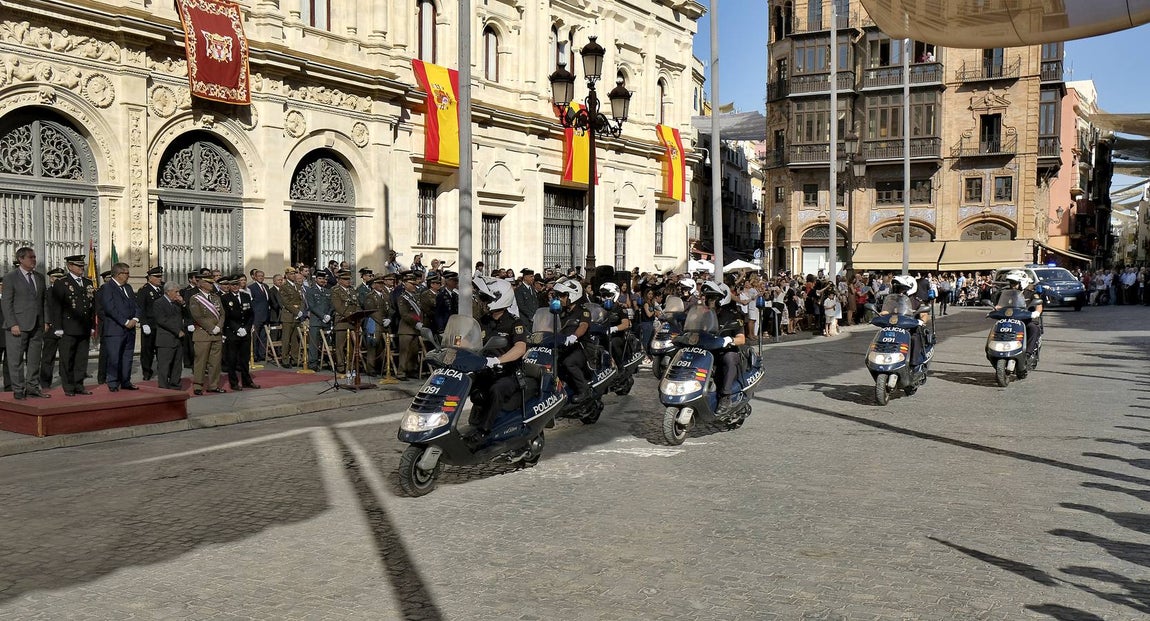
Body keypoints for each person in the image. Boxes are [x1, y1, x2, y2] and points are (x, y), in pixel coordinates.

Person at [469, 277, 529, 443]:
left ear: (499, 299)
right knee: (461, 385)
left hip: (509, 374)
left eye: (486, 298)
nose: (482, 301)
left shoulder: (515, 323)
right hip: (485, 370)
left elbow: (520, 348)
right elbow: (468, 341)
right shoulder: (483, 321)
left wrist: (497, 360)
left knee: (496, 390)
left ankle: (483, 431)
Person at [2, 247, 50, 400]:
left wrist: (46, 320)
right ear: (21, 259)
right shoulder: (10, 278)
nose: (34, 260)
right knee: (16, 360)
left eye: (34, 257)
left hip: (37, 325)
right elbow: (6, 303)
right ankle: (18, 389)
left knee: (34, 359)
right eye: (30, 257)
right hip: (18, 326)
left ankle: (32, 387)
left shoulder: (39, 277)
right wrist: (12, 324)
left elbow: (43, 301)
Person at [51, 255, 95, 396]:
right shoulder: (62, 283)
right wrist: (57, 327)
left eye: (82, 265)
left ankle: (79, 385)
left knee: (81, 359)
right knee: (67, 358)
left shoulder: (87, 282)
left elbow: (91, 306)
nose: (82, 268)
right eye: (78, 265)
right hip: (68, 327)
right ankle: (69, 387)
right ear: (70, 266)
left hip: (84, 326)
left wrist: (92, 325)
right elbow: (56, 306)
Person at [699, 281, 746, 413]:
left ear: (721, 299)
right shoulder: (704, 315)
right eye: (708, 298)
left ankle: (726, 396)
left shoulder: (733, 315)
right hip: (708, 350)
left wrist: (730, 339)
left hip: (725, 351)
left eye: (712, 298)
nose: (708, 301)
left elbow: (741, 339)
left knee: (729, 358)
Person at [98, 262, 141, 392]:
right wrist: (125, 321)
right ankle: (113, 382)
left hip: (130, 329)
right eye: (126, 273)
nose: (129, 275)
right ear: (118, 274)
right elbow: (110, 308)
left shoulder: (128, 287)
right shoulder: (107, 288)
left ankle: (126, 381)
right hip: (115, 329)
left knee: (127, 357)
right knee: (114, 357)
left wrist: (135, 319)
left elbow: (136, 305)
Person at [552, 277, 593, 404]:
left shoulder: (583, 311)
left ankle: (584, 390)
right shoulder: (560, 312)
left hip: (581, 347)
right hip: (563, 347)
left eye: (563, 296)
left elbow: (583, 326)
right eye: (558, 296)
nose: (560, 299)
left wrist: (574, 336)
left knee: (569, 362)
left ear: (572, 295)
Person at [879, 275, 929, 367]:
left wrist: (922, 320)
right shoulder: (895, 300)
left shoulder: (917, 301)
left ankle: (914, 363)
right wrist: (880, 314)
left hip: (911, 328)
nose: (900, 291)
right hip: (895, 326)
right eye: (899, 289)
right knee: (883, 335)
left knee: (914, 338)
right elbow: (887, 310)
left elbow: (924, 314)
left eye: (902, 289)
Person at [188, 273, 226, 395]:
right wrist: (211, 328)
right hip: (202, 334)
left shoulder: (216, 297)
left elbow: (222, 314)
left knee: (215, 362)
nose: (212, 285)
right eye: (209, 283)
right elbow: (197, 316)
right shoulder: (195, 298)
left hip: (217, 334)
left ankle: (213, 385)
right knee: (201, 361)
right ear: (202, 284)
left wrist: (219, 327)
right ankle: (198, 385)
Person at [221, 275, 259, 390]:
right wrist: (237, 328)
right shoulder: (225, 298)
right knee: (232, 359)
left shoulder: (245, 296)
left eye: (237, 284)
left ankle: (247, 381)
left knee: (245, 359)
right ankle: (234, 383)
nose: (235, 287)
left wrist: (246, 328)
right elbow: (226, 316)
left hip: (245, 332)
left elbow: (251, 314)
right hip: (232, 332)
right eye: (233, 285)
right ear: (229, 286)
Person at [995, 270, 1043, 355]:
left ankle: (1028, 353)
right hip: (1010, 319)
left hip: (1026, 320)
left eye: (1014, 283)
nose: (1012, 285)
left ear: (1022, 282)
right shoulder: (1008, 294)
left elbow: (1039, 305)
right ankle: (996, 350)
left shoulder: (1031, 294)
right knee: (997, 327)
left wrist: (1037, 312)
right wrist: (998, 307)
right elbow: (1001, 304)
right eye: (1011, 283)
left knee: (1033, 328)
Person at [153, 282, 186, 390]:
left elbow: (187, 314)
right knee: (164, 365)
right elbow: (162, 320)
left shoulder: (177, 303)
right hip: (166, 339)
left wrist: (183, 303)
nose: (178, 294)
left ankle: (175, 384)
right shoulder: (159, 303)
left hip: (178, 339)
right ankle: (163, 386)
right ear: (168, 292)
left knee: (177, 364)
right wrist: (177, 331)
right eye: (176, 291)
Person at [135, 266, 165, 381]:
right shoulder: (144, 290)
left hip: (161, 325)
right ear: (150, 278)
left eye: (160, 276)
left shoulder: (163, 289)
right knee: (147, 350)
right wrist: (144, 323)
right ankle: (147, 371)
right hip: (150, 324)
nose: (159, 278)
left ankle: (163, 370)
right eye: (157, 277)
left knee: (161, 349)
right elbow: (140, 308)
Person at [331, 270, 362, 376]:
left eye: (349, 279)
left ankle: (352, 365)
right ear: (339, 280)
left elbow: (357, 304)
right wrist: (350, 315)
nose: (348, 281)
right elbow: (338, 306)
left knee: (352, 346)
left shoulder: (352, 290)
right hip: (342, 321)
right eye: (345, 279)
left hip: (353, 322)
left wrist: (357, 315)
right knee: (340, 346)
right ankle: (341, 366)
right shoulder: (335, 290)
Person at [39, 267, 66, 388]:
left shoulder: (67, 291)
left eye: (61, 278)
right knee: (48, 357)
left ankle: (66, 380)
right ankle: (45, 382)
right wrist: (46, 323)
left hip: (65, 328)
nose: (58, 280)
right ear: (50, 279)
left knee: (65, 357)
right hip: (50, 327)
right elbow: (43, 309)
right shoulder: (46, 292)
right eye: (56, 278)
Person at [395, 271, 423, 380]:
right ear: (406, 284)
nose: (414, 286)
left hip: (415, 329)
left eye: (415, 284)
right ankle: (401, 372)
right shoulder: (402, 298)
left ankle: (411, 370)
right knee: (404, 352)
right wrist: (416, 323)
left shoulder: (415, 297)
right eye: (412, 284)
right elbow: (404, 314)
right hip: (406, 329)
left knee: (414, 352)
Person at [597, 282, 633, 368]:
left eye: (608, 295)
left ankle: (620, 366)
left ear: (615, 295)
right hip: (602, 335)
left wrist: (614, 328)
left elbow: (626, 324)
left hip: (616, 336)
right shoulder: (599, 308)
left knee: (613, 343)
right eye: (603, 295)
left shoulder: (620, 309)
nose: (605, 298)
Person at [363, 276, 393, 376]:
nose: (381, 285)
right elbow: (371, 311)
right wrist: (382, 320)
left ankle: (382, 367)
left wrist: (389, 318)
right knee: (373, 346)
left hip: (385, 324)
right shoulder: (370, 296)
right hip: (374, 324)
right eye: (378, 283)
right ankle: (371, 368)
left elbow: (390, 309)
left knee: (383, 347)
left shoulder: (386, 295)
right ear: (373, 285)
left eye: (382, 283)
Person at [305, 272, 333, 372]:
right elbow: (312, 306)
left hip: (327, 320)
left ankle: (326, 360)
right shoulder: (310, 291)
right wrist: (322, 316)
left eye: (323, 279)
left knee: (327, 342)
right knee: (314, 343)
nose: (322, 280)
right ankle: (313, 363)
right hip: (316, 320)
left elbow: (331, 305)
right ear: (316, 279)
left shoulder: (328, 291)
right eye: (320, 278)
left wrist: (328, 315)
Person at [248, 269, 271, 362]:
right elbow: (251, 302)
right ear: (255, 277)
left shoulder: (266, 286)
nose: (261, 277)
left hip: (266, 315)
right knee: (255, 337)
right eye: (259, 276)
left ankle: (262, 354)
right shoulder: (251, 287)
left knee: (263, 336)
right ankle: (254, 355)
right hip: (256, 316)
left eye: (262, 276)